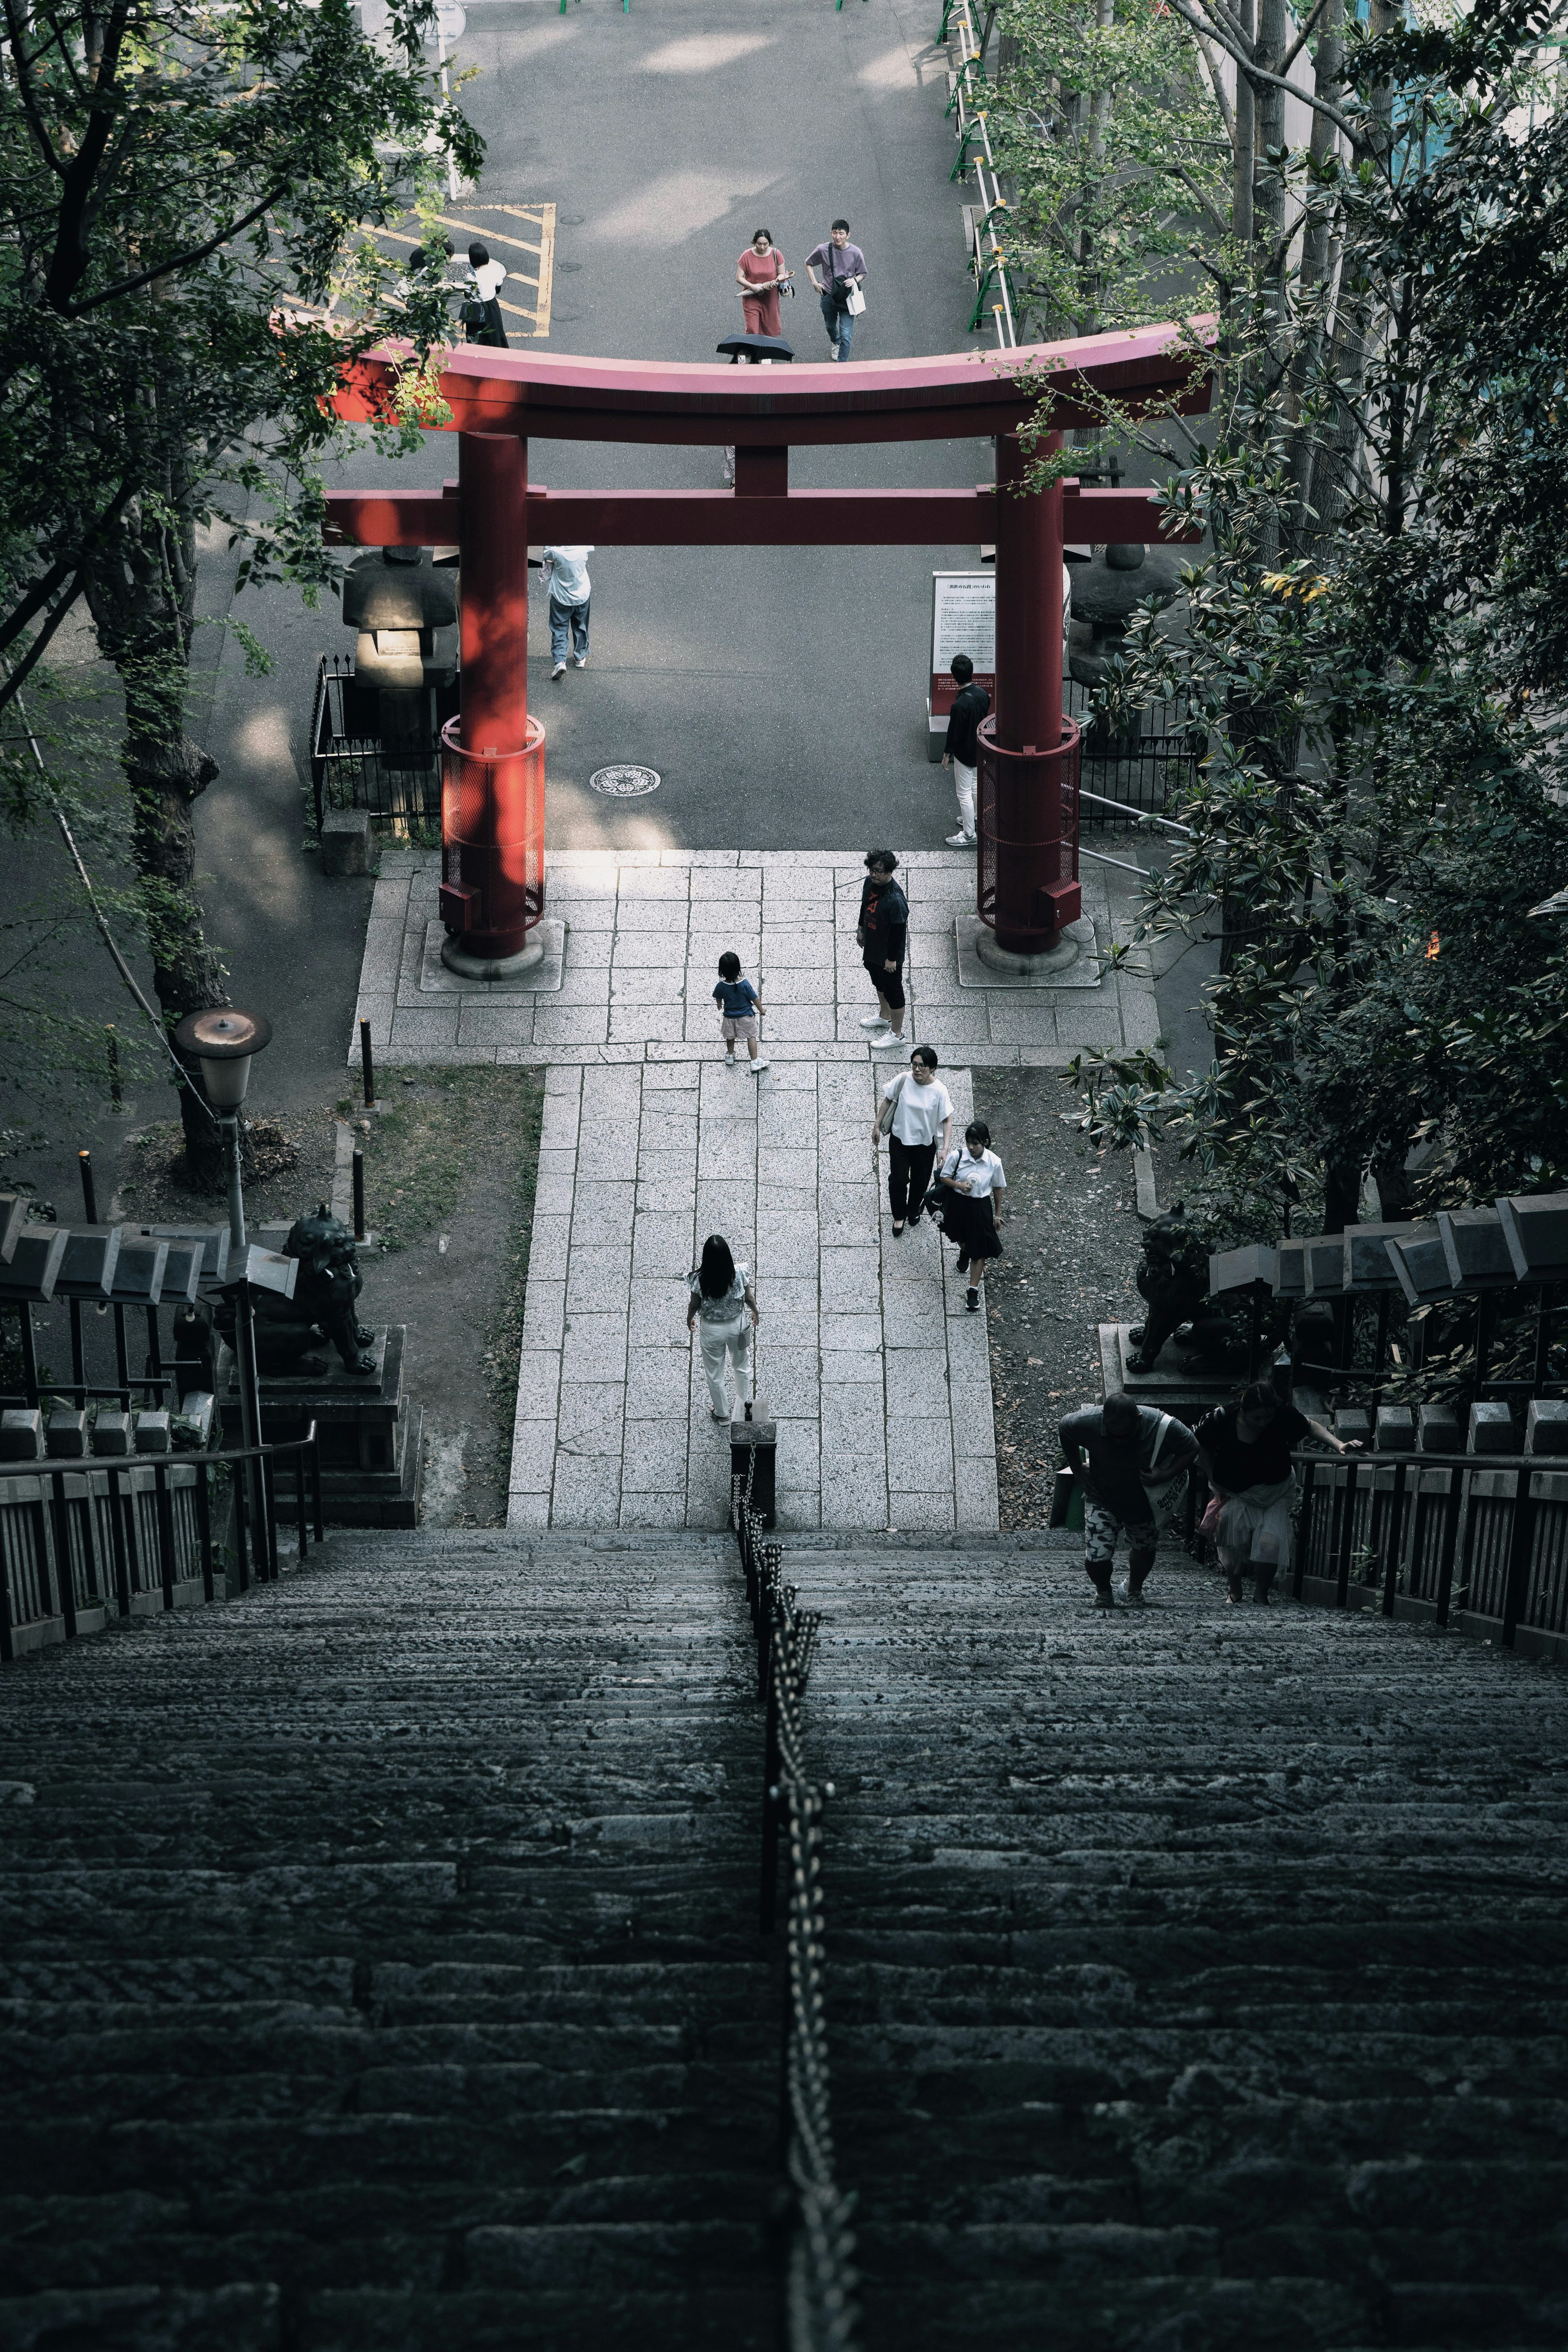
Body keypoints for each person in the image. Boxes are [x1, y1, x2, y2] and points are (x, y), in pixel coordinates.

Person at [1194, 1379, 1362, 1603]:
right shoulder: (1223, 1418)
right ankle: (1235, 1589)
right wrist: (1212, 1476)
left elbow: (1309, 1426)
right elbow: (1201, 1444)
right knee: (1233, 1539)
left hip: (1276, 1487)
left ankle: (1261, 1595)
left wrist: (1338, 1445)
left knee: (1270, 1542)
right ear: (1243, 1410)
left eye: (1268, 1417)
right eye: (1256, 1418)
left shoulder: (1282, 1413)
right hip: (1236, 1489)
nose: (1262, 1423)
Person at [1058, 1393, 1200, 1609]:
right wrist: (1077, 1468)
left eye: (1125, 1436)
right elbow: (1065, 1428)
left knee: (1144, 1548)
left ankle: (1134, 1588)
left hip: (1145, 1503)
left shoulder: (1161, 1425)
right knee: (1097, 1556)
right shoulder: (1086, 1422)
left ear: (1139, 1420)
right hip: (1102, 1497)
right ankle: (1104, 1592)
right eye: (1112, 1435)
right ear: (1104, 1419)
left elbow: (1192, 1447)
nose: (1118, 1441)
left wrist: (1165, 1474)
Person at [872, 1046, 953, 1236]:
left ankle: (914, 1209)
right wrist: (877, 1125)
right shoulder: (903, 1079)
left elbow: (947, 1119)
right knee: (899, 1179)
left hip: (925, 1144)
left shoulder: (940, 1090)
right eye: (915, 1065)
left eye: (922, 1066)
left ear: (932, 1068)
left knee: (921, 1181)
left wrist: (945, 1149)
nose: (917, 1069)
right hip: (900, 1140)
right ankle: (899, 1215)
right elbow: (887, 1100)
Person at [687, 1235, 760, 1423]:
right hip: (737, 1325)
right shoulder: (739, 1273)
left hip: (711, 1329)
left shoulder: (698, 1279)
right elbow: (749, 1298)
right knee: (742, 1366)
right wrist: (756, 1312)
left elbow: (695, 1304)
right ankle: (745, 1410)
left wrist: (690, 1319)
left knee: (714, 1372)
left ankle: (723, 1414)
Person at [936, 1120, 1005, 1312]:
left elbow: (998, 1188)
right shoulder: (958, 1157)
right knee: (960, 1238)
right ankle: (964, 1250)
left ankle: (973, 1291)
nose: (971, 1147)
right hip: (958, 1205)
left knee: (980, 1249)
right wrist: (959, 1186)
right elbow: (944, 1177)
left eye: (976, 1143)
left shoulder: (994, 1162)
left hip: (980, 1207)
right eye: (969, 1142)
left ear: (986, 1142)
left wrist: (998, 1215)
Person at [856, 849, 909, 1044]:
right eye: (871, 870)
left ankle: (897, 1035)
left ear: (889, 871)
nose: (873, 874)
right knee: (879, 982)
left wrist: (892, 959)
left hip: (888, 954)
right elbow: (865, 905)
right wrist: (861, 928)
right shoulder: (870, 883)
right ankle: (885, 1016)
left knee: (893, 990)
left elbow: (898, 932)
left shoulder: (896, 900)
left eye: (878, 871)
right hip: (873, 947)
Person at [942, 652, 990, 848]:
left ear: (955, 677)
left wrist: (946, 755)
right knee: (976, 786)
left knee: (963, 793)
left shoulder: (959, 705)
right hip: (981, 747)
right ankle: (976, 818)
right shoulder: (982, 694)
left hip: (965, 753)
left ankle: (969, 834)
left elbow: (954, 734)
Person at [806, 219, 868, 361]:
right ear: (831, 233)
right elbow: (808, 263)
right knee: (830, 326)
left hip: (848, 297)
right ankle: (835, 342)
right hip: (828, 295)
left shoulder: (856, 253)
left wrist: (854, 280)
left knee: (846, 335)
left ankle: (842, 366)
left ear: (848, 235)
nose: (838, 237)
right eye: (835, 233)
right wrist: (815, 283)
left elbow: (863, 273)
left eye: (841, 234)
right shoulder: (823, 249)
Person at [713, 950, 768, 1074]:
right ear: (738, 968)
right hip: (746, 1017)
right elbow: (754, 998)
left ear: (722, 971)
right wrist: (762, 1010)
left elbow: (718, 996)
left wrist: (720, 1005)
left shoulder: (721, 986)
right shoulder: (744, 984)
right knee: (751, 1036)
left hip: (729, 1017)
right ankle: (754, 1061)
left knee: (730, 1036)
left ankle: (730, 1056)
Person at [541, 545, 592, 679]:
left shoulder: (555, 552)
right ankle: (580, 657)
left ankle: (560, 661)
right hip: (582, 595)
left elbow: (544, 551)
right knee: (581, 625)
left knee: (559, 629)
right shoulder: (583, 549)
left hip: (561, 598)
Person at [736, 229, 790, 338]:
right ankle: (755, 352)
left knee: (769, 330)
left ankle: (766, 352)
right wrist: (752, 286)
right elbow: (739, 277)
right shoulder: (747, 256)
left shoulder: (776, 254)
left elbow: (782, 273)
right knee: (752, 330)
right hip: (751, 297)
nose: (762, 247)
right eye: (759, 244)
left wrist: (776, 281)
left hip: (770, 298)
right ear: (754, 242)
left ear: (770, 242)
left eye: (765, 244)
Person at [462, 241, 508, 348]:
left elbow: (467, 295)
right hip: (491, 307)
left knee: (475, 337)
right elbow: (498, 289)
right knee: (495, 335)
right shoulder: (495, 272)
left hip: (474, 309)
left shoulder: (470, 277)